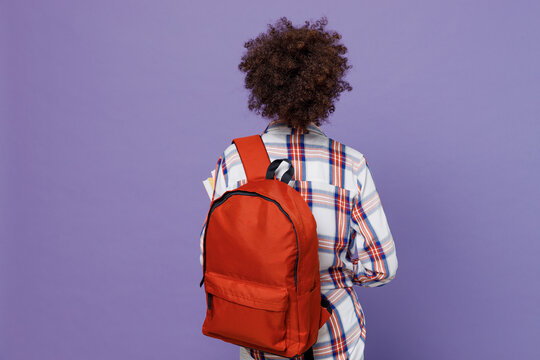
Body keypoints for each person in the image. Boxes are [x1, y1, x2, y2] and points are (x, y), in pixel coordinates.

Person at [200, 16, 398, 360]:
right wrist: (330, 271)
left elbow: (209, 254)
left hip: (261, 335)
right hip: (333, 336)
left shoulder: (236, 158)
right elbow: (382, 269)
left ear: (265, 86)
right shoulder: (350, 164)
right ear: (325, 90)